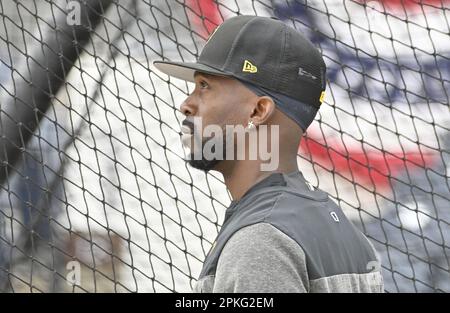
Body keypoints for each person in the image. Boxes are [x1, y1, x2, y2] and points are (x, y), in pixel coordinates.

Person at [153, 15, 384, 293]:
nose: (186, 105)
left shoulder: (261, 239)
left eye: (205, 86)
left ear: (258, 111)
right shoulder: (342, 229)